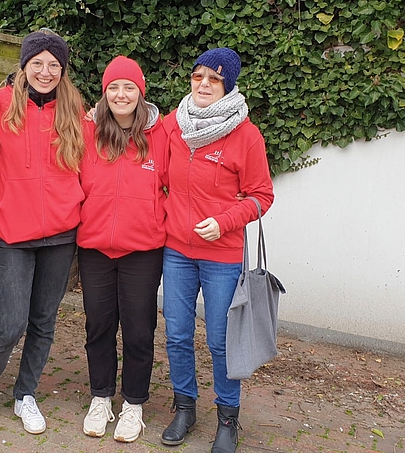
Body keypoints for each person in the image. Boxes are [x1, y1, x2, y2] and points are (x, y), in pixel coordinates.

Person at [0, 28, 86, 435]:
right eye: (38, 63)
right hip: (12, 233)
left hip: (61, 231)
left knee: (44, 319)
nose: (46, 71)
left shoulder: (74, 108)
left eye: (54, 65)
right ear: (24, 65)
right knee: (11, 321)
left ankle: (25, 394)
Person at [160, 47, 274, 453]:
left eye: (214, 78)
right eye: (198, 76)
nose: (204, 84)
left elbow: (263, 196)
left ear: (228, 85)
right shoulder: (174, 125)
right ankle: (184, 408)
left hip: (222, 256)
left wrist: (224, 222)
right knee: (175, 334)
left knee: (221, 341)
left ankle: (228, 418)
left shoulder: (245, 134)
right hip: (176, 251)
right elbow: (139, 140)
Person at [77, 56, 167, 443]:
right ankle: (101, 398)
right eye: (113, 87)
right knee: (98, 325)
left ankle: (133, 403)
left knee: (138, 328)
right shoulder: (86, 131)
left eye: (129, 87)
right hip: (95, 246)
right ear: (104, 92)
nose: (121, 94)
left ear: (141, 91)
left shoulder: (162, 134)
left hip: (143, 249)